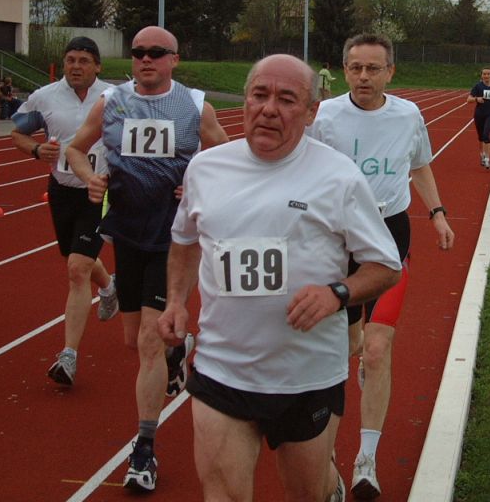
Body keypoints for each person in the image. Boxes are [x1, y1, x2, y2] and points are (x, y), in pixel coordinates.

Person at [158, 54, 403, 502]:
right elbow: (185, 240)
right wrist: (176, 300)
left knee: (307, 494)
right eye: (260, 95)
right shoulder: (206, 169)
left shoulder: (339, 177)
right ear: (245, 102)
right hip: (222, 369)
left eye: (287, 99)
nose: (269, 109)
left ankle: (329, 485)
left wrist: (337, 294)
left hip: (306, 376)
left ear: (311, 113)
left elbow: (386, 265)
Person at [66, 26, 229, 492]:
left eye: (156, 52)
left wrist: (199, 181)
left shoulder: (194, 106)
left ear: (174, 59)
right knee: (133, 339)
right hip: (128, 233)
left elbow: (229, 158)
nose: (145, 59)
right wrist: (90, 178)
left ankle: (144, 449)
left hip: (174, 238)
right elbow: (75, 149)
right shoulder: (112, 103)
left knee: (148, 343)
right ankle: (180, 348)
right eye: (138, 52)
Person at [308, 33, 455, 499]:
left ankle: (365, 460)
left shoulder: (408, 116)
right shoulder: (326, 116)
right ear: (344, 70)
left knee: (376, 348)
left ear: (390, 72)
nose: (363, 76)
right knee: (347, 346)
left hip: (389, 235)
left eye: (373, 68)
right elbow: (302, 168)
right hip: (337, 240)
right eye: (355, 68)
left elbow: (420, 165)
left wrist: (437, 213)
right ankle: (325, 460)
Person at [10, 37, 117, 386]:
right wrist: (35, 149)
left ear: (97, 66)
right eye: (70, 60)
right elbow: (18, 133)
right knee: (75, 258)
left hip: (98, 191)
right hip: (62, 190)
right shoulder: (44, 97)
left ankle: (68, 356)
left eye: (84, 60)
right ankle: (110, 286)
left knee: (77, 269)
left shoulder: (115, 97)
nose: (75, 66)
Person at [469, 67, 490, 168]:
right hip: (479, 114)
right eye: (484, 74)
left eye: (488, 74)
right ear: (481, 75)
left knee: (486, 134)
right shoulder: (478, 86)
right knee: (481, 137)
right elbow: (468, 99)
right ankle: (482, 154)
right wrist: (476, 99)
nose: (486, 76)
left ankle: (487, 159)